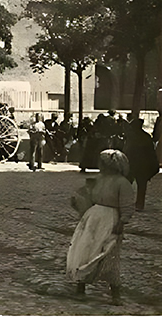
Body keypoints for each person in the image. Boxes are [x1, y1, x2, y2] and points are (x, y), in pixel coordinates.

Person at [66, 150, 135, 305]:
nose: (100, 165)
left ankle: (115, 293)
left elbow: (127, 204)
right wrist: (79, 201)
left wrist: (122, 222)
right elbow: (89, 198)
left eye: (102, 162)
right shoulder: (99, 179)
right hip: (92, 219)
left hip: (110, 219)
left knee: (109, 253)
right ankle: (80, 286)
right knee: (86, 249)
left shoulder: (122, 183)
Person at [122, 119, 158, 211]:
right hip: (143, 166)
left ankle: (125, 202)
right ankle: (139, 204)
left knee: (126, 185)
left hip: (132, 165)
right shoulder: (146, 137)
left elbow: (127, 150)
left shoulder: (131, 137)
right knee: (142, 186)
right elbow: (151, 153)